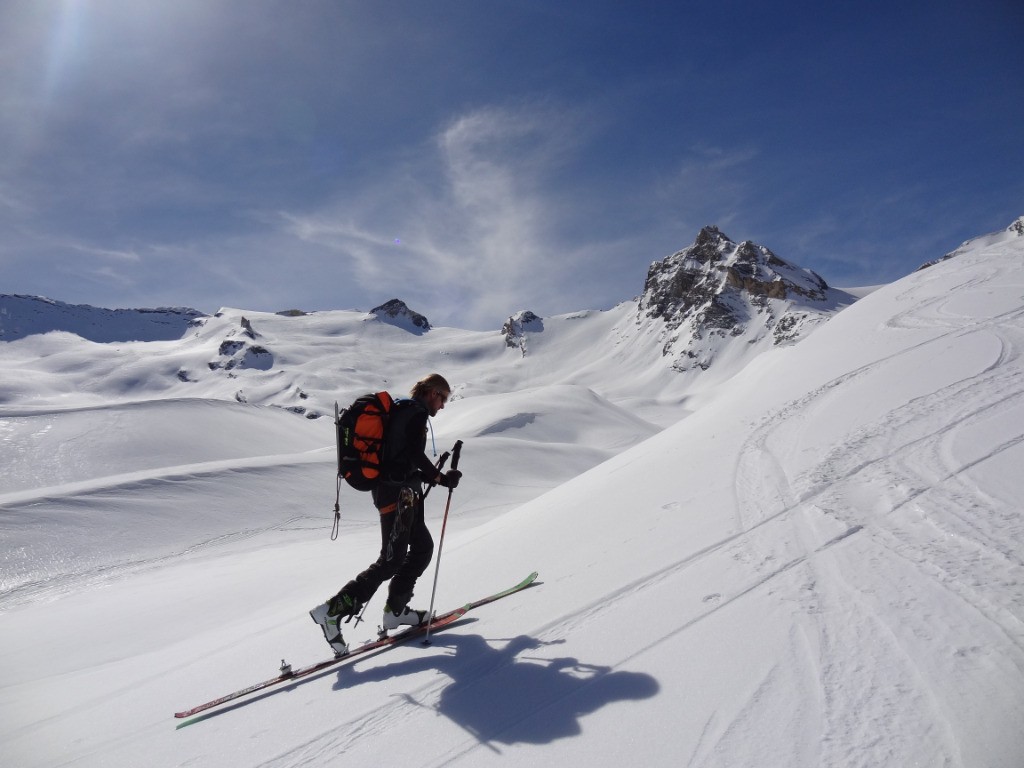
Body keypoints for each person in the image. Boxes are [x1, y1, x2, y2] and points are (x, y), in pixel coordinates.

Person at [309, 373, 462, 655]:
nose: (442, 406)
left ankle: (396, 610)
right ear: (431, 392)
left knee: (422, 549)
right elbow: (414, 455)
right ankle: (331, 611)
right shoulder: (414, 412)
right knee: (391, 560)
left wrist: (430, 478)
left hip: (401, 493)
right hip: (397, 496)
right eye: (443, 398)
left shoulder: (402, 409)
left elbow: (400, 459)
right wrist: (440, 478)